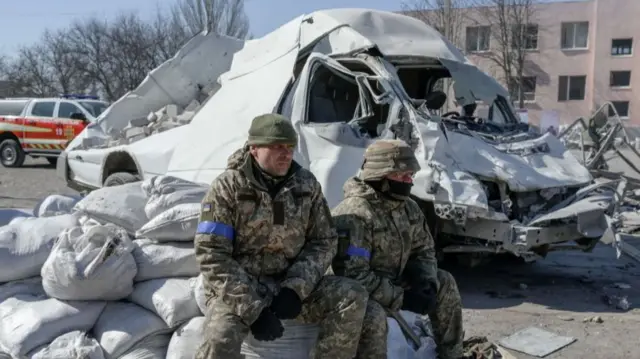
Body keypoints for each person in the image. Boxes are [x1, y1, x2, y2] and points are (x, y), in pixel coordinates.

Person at [194, 113, 368, 359]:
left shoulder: (306, 186)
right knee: (220, 335)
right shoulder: (227, 187)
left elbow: (324, 241)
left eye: (290, 147)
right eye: (277, 147)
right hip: (242, 286)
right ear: (254, 148)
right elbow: (212, 254)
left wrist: (296, 288)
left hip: (289, 283)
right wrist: (253, 310)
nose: (286, 154)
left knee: (352, 295)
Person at [331, 139, 465, 359]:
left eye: (411, 175)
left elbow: (424, 249)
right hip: (361, 295)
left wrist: (426, 280)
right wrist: (402, 298)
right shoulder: (356, 214)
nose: (409, 181)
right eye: (402, 175)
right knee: (372, 315)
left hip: (394, 283)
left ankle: (452, 354)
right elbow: (353, 276)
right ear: (380, 175)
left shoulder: (408, 207)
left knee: (445, 282)